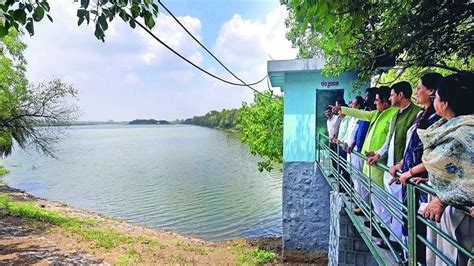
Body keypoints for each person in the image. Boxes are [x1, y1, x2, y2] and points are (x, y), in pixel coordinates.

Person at [416, 73, 473, 265]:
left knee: (452, 257)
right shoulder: (449, 128)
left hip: (459, 213)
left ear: (445, 102)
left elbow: (467, 178)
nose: (435, 102)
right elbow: (453, 170)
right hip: (447, 208)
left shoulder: (462, 133)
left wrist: (441, 198)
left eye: (437, 97)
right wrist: (433, 181)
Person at [390, 72, 443, 262]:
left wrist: (411, 172)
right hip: (410, 180)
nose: (417, 91)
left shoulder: (438, 119)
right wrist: (401, 165)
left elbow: (435, 157)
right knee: (409, 222)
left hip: (421, 185)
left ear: (431, 91)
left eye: (420, 87)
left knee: (423, 231)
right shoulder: (422, 114)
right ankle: (408, 257)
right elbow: (412, 148)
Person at [332, 87, 398, 232]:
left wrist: (379, 154)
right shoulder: (377, 114)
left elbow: (389, 141)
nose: (375, 102)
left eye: (377, 100)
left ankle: (384, 228)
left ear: (386, 101)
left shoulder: (393, 114)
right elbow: (360, 113)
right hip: (369, 161)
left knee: (381, 197)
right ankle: (378, 223)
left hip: (380, 163)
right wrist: (342, 108)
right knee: (373, 194)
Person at [367, 81, 422, 250]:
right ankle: (393, 238)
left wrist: (403, 165)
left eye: (392, 95)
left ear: (400, 95)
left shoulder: (417, 114)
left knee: (401, 208)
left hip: (404, 170)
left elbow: (414, 146)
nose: (390, 98)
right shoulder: (395, 116)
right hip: (390, 167)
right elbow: (389, 141)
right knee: (392, 206)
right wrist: (378, 155)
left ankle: (400, 244)